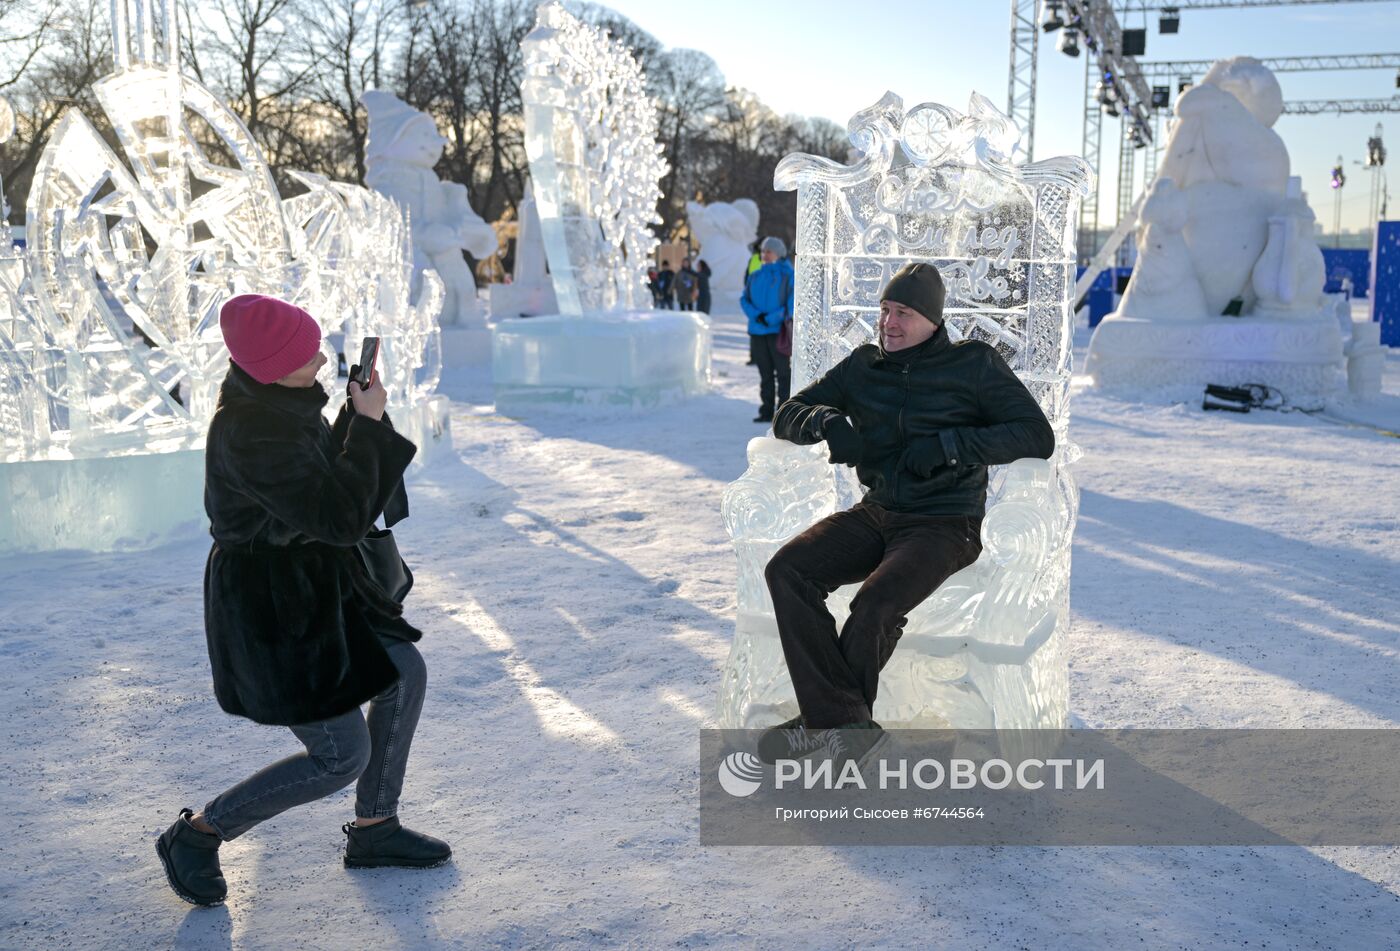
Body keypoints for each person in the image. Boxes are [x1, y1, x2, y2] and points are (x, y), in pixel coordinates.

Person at [156, 295, 450, 908]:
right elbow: (337, 515)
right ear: (271, 364)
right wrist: (367, 427)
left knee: (403, 673)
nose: (320, 358)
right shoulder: (251, 431)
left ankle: (375, 829)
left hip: (318, 590)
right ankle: (199, 834)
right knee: (339, 755)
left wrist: (351, 419)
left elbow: (319, 485)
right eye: (305, 352)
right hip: (275, 612)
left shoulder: (279, 403)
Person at [757, 263, 1055, 767]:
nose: (889, 323)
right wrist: (825, 420)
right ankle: (844, 725)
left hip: (946, 522)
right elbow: (787, 413)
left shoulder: (974, 365)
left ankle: (822, 725)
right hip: (877, 512)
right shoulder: (862, 367)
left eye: (904, 313)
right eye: (885, 310)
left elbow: (1035, 435)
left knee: (875, 603)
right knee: (787, 570)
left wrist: (951, 446)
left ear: (933, 321)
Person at [739, 236, 794, 424]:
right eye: (763, 251)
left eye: (768, 251)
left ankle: (784, 412)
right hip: (757, 331)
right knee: (765, 374)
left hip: (778, 332)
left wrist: (771, 318)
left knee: (783, 374)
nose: (764, 254)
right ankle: (766, 410)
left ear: (778, 253)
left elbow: (791, 303)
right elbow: (744, 299)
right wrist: (757, 316)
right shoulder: (755, 275)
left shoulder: (788, 275)